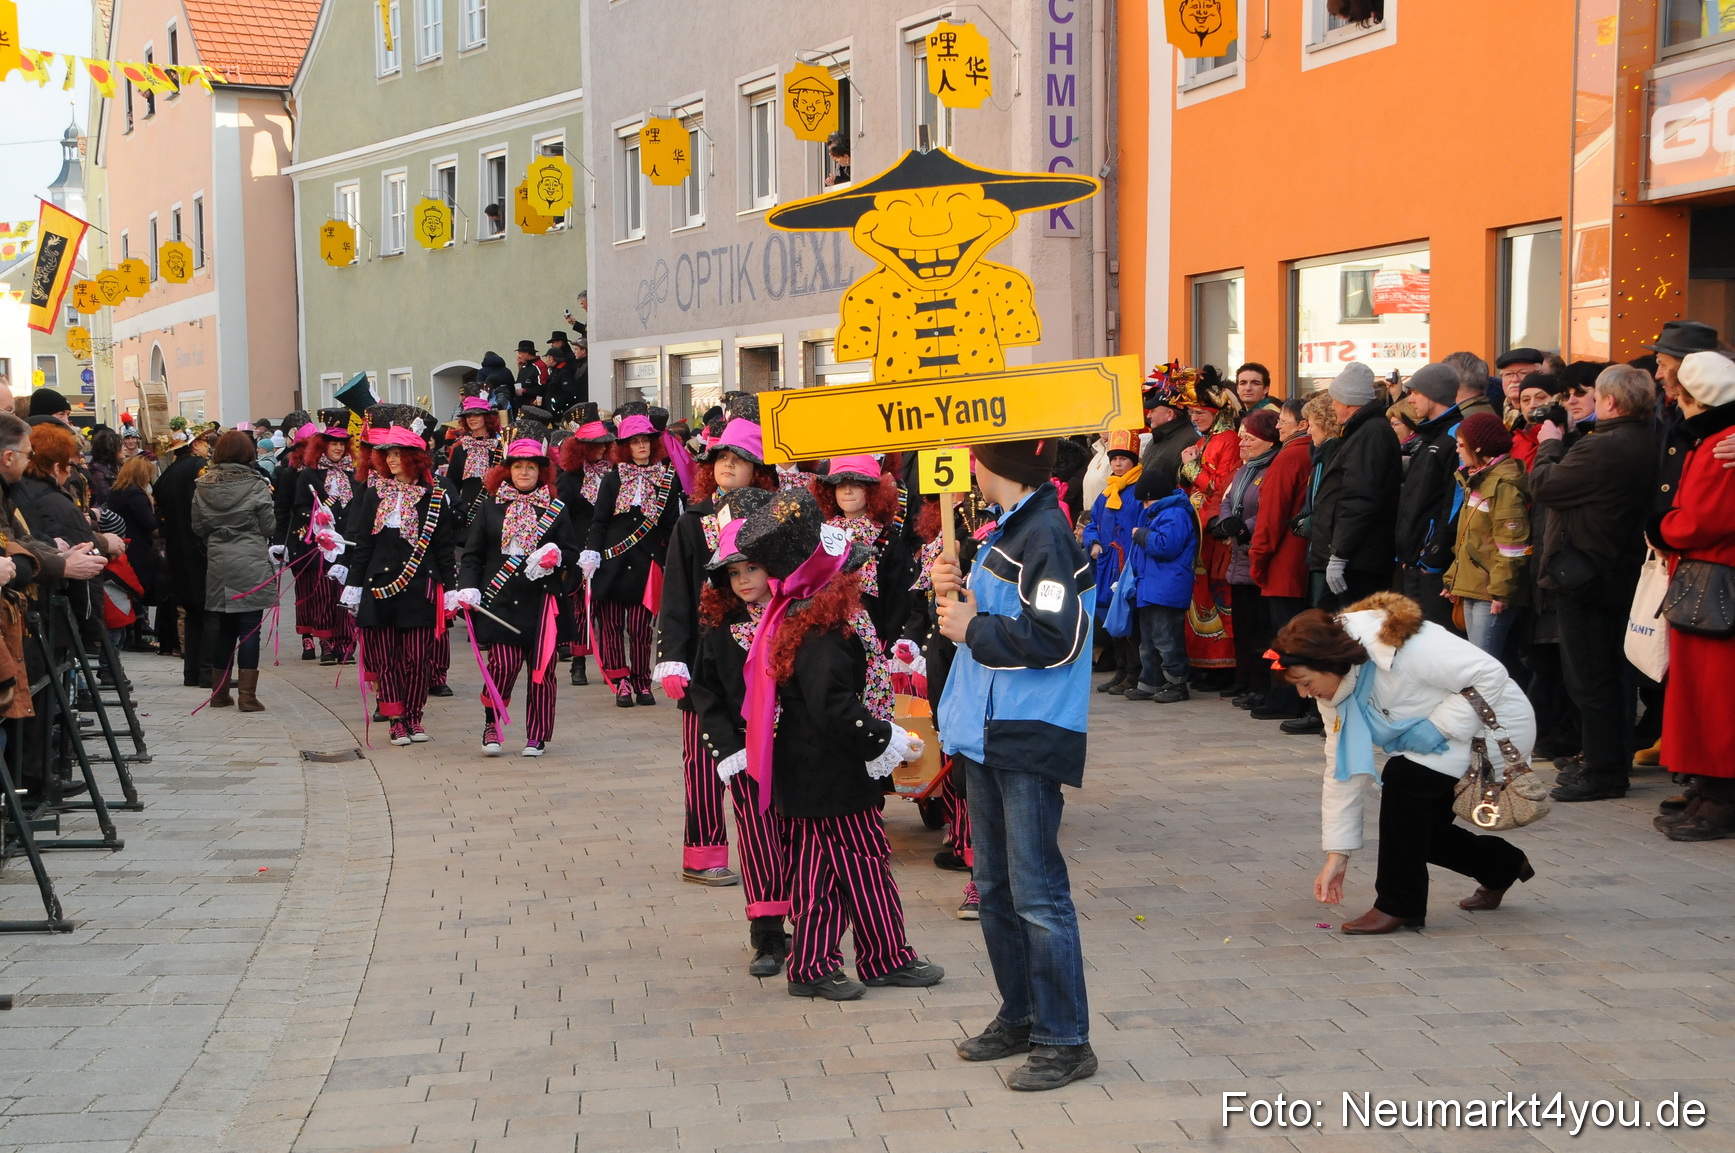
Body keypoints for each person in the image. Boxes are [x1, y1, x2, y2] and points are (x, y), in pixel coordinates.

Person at [933, 438, 1097, 1092]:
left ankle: (1064, 1038)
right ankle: (1021, 1013)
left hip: (1028, 731)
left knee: (1035, 892)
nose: (969, 464)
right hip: (986, 729)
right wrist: (952, 594)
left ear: (995, 466)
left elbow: (1056, 638)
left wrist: (970, 627)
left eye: (977, 455)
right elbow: (985, 618)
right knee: (996, 887)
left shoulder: (1046, 534)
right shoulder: (1012, 528)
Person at [733, 488, 941, 1002]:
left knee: (845, 866)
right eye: (851, 571)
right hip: (826, 768)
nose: (858, 578)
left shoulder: (808, 618)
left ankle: (860, 957)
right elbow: (831, 708)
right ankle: (837, 961)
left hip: (818, 770)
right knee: (845, 867)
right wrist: (886, 737)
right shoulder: (822, 629)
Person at [1277, 593, 1537, 934]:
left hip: (1491, 726)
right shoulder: (1336, 687)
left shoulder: (1408, 645)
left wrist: (1438, 727)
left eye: (1306, 683)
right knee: (1419, 834)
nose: (1304, 694)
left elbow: (1492, 675)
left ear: (1330, 663)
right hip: (1437, 736)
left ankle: (1398, 905)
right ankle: (1502, 865)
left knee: (1404, 781)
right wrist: (1336, 856)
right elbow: (1342, 770)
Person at [654, 414, 778, 886]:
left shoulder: (774, 517)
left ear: (757, 471)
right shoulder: (694, 520)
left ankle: (771, 852)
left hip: (764, 651)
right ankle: (703, 854)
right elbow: (677, 594)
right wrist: (672, 656)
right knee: (703, 759)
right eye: (722, 458)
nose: (728, 465)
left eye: (739, 459)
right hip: (705, 659)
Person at [1530, 364, 1658, 802]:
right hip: (1616, 570)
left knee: (1591, 677)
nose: (1575, 403)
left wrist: (1548, 445)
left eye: (1592, 396)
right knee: (1611, 675)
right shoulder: (1647, 437)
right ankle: (1607, 760)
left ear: (1611, 402)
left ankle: (1604, 770)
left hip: (1586, 573)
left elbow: (1545, 484)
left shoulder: (1605, 446)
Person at [686, 486, 788, 973]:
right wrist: (728, 749)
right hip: (746, 753)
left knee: (800, 840)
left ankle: (809, 926)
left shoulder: (797, 617)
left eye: (752, 568)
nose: (744, 580)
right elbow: (705, 693)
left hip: (796, 747)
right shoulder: (720, 628)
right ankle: (767, 935)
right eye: (734, 572)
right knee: (759, 840)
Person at [454, 416, 583, 757]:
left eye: (531, 467)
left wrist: (556, 554)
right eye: (518, 466)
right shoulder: (490, 508)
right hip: (500, 601)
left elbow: (571, 552)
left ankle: (537, 735)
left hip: (543, 604)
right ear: (507, 469)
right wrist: (468, 587)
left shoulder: (556, 509)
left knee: (542, 672)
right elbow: (472, 556)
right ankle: (491, 723)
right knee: (502, 667)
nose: (524, 472)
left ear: (541, 471)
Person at [1648, 351, 1735, 842]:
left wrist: (1661, 527)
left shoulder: (1720, 444)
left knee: (1714, 700)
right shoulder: (1719, 441)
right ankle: (1710, 790)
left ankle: (1720, 798)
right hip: (1708, 580)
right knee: (1703, 697)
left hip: (1714, 582)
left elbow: (1704, 519)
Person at [338, 405, 459, 746]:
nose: (390, 461)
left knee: (418, 660)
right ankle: (395, 719)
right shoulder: (375, 493)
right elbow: (363, 545)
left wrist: (450, 589)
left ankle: (415, 717)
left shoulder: (435, 498)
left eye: (398, 454)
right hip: (378, 587)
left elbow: (444, 549)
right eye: (387, 455)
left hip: (420, 588)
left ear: (415, 458)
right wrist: (353, 587)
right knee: (386, 659)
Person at [580, 406, 681, 707]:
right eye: (635, 441)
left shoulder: (666, 480)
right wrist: (591, 554)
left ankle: (641, 681)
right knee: (610, 626)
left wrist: (665, 561)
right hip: (611, 562)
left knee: (640, 628)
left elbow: (670, 526)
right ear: (625, 446)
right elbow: (599, 521)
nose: (641, 446)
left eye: (646, 440)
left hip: (646, 564)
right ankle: (620, 680)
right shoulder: (612, 480)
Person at [192, 430, 277, 711]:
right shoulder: (256, 485)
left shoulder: (202, 485)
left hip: (219, 562)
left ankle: (219, 694)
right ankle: (247, 697)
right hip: (250, 560)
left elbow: (198, 527)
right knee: (249, 630)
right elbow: (268, 526)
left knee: (225, 629)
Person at [1310, 362, 1402, 610]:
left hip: (1359, 560)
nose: (1332, 406)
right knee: (1332, 628)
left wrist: (1340, 555)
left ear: (1349, 403)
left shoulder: (1369, 435)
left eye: (1335, 400)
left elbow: (1359, 498)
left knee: (1349, 632)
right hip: (1356, 557)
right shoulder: (1361, 432)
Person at [1442, 413, 1530, 660]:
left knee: (1483, 666)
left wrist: (1501, 591)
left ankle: (1489, 701)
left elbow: (1512, 545)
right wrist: (1453, 579)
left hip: (1490, 591)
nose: (1457, 450)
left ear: (1478, 447)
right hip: (1474, 587)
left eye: (1461, 444)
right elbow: (1469, 540)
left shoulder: (1503, 484)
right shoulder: (1478, 479)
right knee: (1477, 661)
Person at [1175, 367, 1242, 689]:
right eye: (1191, 413)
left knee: (1217, 599)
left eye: (1199, 412)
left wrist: (1191, 468)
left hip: (1215, 535)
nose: (1194, 418)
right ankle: (1204, 664)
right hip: (1199, 535)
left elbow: (1222, 485)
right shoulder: (1207, 441)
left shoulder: (1227, 440)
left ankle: (1223, 666)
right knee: (1201, 598)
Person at [1248, 398, 1312, 722]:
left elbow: (1270, 516)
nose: (1278, 426)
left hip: (1284, 563)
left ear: (1303, 424)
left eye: (1283, 420)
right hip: (1300, 559)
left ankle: (1286, 697)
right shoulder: (1309, 453)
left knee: (1286, 634)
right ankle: (1287, 696)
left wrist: (1258, 558)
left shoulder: (1289, 457)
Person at [811, 454, 913, 649]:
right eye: (840, 484)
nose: (847, 491)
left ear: (874, 490)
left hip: (874, 641)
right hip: (829, 641)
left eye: (856, 484)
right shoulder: (820, 537)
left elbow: (897, 603)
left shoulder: (887, 541)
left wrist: (893, 649)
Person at [1216, 409, 1283, 709]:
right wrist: (1228, 522)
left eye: (1249, 438)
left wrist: (1245, 528)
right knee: (1242, 629)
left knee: (1261, 630)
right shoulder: (1244, 470)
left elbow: (1271, 510)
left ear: (1268, 440)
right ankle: (1245, 681)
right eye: (1241, 437)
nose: (1241, 443)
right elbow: (1227, 501)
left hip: (1257, 558)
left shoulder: (1273, 468)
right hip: (1238, 561)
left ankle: (1261, 685)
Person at [1394, 363, 1466, 629]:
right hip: (1414, 562)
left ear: (1433, 394)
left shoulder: (1454, 436)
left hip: (1433, 566)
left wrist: (1433, 555)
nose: (1410, 398)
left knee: (1436, 643)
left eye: (1415, 392)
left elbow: (1456, 500)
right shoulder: (1429, 437)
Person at [1120, 463, 1196, 704]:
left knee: (1167, 638)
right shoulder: (1161, 513)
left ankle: (1176, 683)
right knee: (1149, 639)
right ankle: (1150, 681)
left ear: (1155, 497)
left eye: (1146, 501)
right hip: (1153, 586)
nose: (1143, 506)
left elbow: (1166, 546)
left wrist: (1141, 535)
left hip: (1167, 587)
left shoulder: (1174, 514)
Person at [289, 409, 358, 666]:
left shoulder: (354, 474)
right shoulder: (310, 474)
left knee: (345, 594)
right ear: (323, 446)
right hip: (323, 544)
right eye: (333, 444)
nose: (338, 449)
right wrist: (314, 515)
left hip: (348, 543)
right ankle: (327, 644)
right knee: (324, 595)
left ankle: (346, 643)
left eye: (342, 444)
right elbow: (299, 507)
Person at [555, 402, 615, 687]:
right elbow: (560, 516)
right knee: (581, 610)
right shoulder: (569, 479)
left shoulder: (615, 475)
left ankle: (610, 663)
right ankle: (578, 664)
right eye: (596, 444)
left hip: (608, 547)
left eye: (605, 442)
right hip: (580, 549)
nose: (603, 448)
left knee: (606, 609)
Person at [1081, 430, 1142, 694]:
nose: (1117, 464)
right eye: (1114, 459)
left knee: (1129, 619)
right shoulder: (1106, 493)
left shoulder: (1139, 491)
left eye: (1123, 459)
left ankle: (1134, 672)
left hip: (1128, 565)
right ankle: (1120, 671)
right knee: (1111, 618)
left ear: (1133, 461)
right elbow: (1093, 523)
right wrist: (1092, 542)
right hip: (1107, 564)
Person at [154, 428, 216, 685]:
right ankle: (207, 671)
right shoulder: (200, 468)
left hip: (176, 548)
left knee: (191, 611)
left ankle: (192, 671)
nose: (207, 447)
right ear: (193, 446)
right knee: (208, 611)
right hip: (200, 547)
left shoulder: (167, 473)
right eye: (202, 442)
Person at [107, 455, 160, 641]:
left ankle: (131, 629)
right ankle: (138, 630)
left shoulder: (115, 491)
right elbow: (149, 523)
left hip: (121, 543)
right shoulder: (135, 494)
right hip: (138, 547)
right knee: (138, 587)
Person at [443, 385, 503, 529]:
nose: (471, 419)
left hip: (495, 509)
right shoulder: (460, 449)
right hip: (468, 512)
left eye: (476, 414)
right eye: (468, 415)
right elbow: (453, 483)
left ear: (486, 417)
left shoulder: (500, 448)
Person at [1509, 373, 1560, 469]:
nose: (1532, 404)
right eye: (1526, 400)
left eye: (1541, 398)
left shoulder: (1566, 439)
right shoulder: (1512, 443)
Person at [1495, 348, 1546, 426]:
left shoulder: (1544, 412)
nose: (1515, 379)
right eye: (1508, 374)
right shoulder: (1493, 409)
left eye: (1523, 373)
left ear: (1539, 374)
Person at [513, 341, 545, 415]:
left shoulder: (539, 366)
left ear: (527, 354)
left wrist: (524, 391)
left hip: (532, 407)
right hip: (520, 406)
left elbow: (542, 388)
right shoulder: (524, 366)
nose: (518, 356)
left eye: (520, 353)